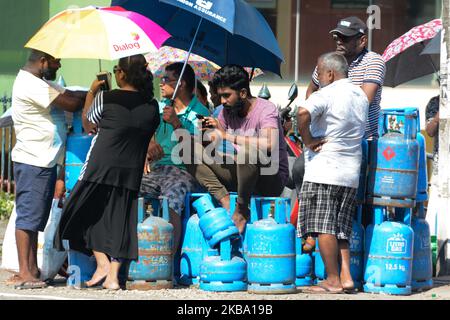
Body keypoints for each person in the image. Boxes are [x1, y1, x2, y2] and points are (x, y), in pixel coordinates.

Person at [55, 54, 160, 290]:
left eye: (116, 69)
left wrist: (93, 92)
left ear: (121, 73)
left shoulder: (106, 97)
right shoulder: (152, 106)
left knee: (77, 212)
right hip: (130, 171)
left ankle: (102, 262)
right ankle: (111, 275)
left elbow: (88, 122)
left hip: (99, 166)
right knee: (120, 221)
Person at [9, 49, 86, 289]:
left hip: (43, 159)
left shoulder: (41, 82)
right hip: (33, 159)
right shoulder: (30, 84)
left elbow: (70, 93)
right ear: (42, 62)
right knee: (28, 217)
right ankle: (25, 272)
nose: (59, 64)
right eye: (55, 61)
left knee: (36, 218)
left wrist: (87, 93)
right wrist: (91, 92)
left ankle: (32, 269)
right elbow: (71, 102)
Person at [297, 53, 368, 294]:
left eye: (319, 71)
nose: (318, 77)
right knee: (341, 228)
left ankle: (332, 280)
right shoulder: (360, 94)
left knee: (323, 226)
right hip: (350, 172)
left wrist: (307, 140)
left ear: (329, 73)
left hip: (324, 170)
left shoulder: (326, 93)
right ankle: (346, 277)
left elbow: (302, 112)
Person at [188, 64, 289, 234]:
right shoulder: (226, 112)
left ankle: (242, 210)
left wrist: (226, 136)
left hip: (270, 177)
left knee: (248, 152)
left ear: (242, 93)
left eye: (227, 96)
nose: (222, 102)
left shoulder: (266, 109)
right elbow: (215, 143)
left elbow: (269, 144)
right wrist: (205, 136)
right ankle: (226, 200)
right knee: (187, 147)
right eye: (220, 96)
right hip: (241, 173)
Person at [139, 62, 210, 255]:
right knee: (129, 191)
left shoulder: (201, 113)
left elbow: (199, 149)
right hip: (157, 170)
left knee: (172, 201)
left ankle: (169, 261)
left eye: (166, 80)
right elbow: (142, 130)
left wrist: (177, 123)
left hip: (186, 170)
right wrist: (149, 143)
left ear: (182, 84)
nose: (161, 84)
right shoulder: (159, 107)